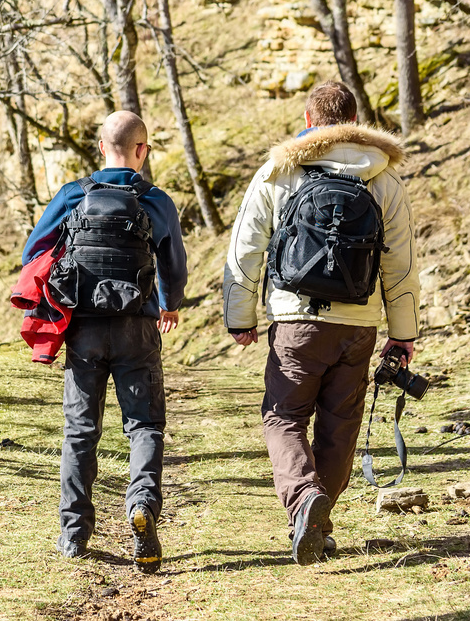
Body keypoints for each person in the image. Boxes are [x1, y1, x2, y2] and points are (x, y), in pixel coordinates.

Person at [222, 81, 420, 565]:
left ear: (308, 121)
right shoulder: (385, 178)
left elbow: (247, 248)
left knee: (284, 416)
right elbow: (401, 263)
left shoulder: (280, 169)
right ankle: (319, 525)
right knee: (340, 425)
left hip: (296, 320)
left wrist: (240, 316)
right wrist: (403, 333)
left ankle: (303, 502)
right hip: (358, 325)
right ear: (356, 121)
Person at [22, 111, 188, 573]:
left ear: (100, 147)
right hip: (137, 326)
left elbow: (33, 251)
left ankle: (74, 535)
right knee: (145, 427)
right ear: (143, 150)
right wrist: (169, 303)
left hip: (84, 330)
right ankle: (142, 508)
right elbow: (173, 265)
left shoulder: (74, 194)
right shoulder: (156, 200)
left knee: (80, 431)